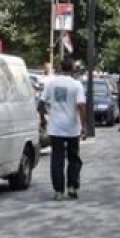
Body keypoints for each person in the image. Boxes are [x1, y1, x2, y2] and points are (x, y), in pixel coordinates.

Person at [42, 58, 87, 201]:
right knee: (74, 158)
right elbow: (81, 105)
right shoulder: (76, 85)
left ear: (60, 68)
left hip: (55, 127)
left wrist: (43, 120)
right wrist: (83, 125)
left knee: (57, 159)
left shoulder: (51, 84)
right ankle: (72, 187)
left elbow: (41, 104)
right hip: (72, 127)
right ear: (73, 69)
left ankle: (58, 191)